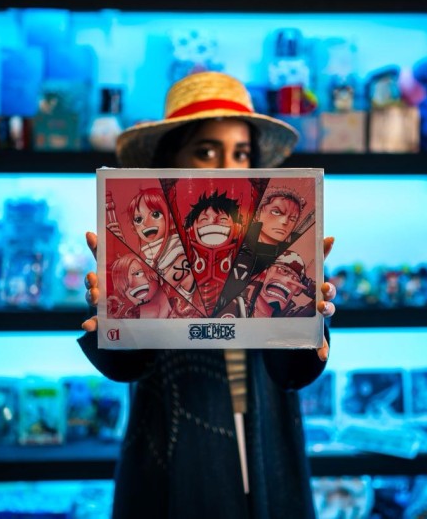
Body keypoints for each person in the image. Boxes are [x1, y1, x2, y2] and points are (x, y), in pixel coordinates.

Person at [76, 72, 337, 518]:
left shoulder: (279, 243)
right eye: (206, 151)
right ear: (170, 161)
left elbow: (293, 372)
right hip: (173, 462)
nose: (228, 167)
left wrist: (312, 320)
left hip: (270, 456)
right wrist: (113, 315)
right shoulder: (143, 246)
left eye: (241, 153)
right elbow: (129, 365)